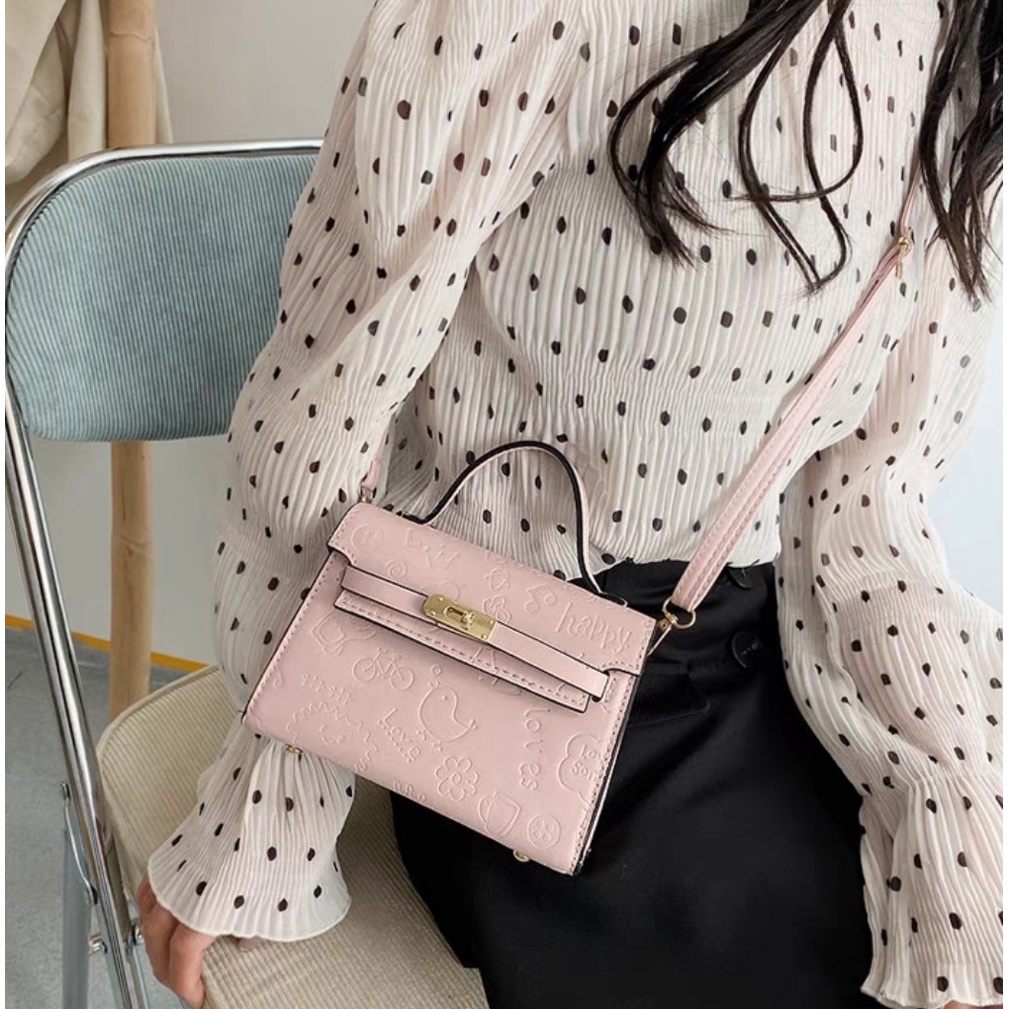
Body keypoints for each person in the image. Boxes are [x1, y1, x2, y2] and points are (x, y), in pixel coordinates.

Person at [135, 2, 1004, 1007]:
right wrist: (270, 800)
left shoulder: (956, 42)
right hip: (502, 673)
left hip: (774, 661)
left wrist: (955, 829)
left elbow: (867, 512)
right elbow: (329, 404)